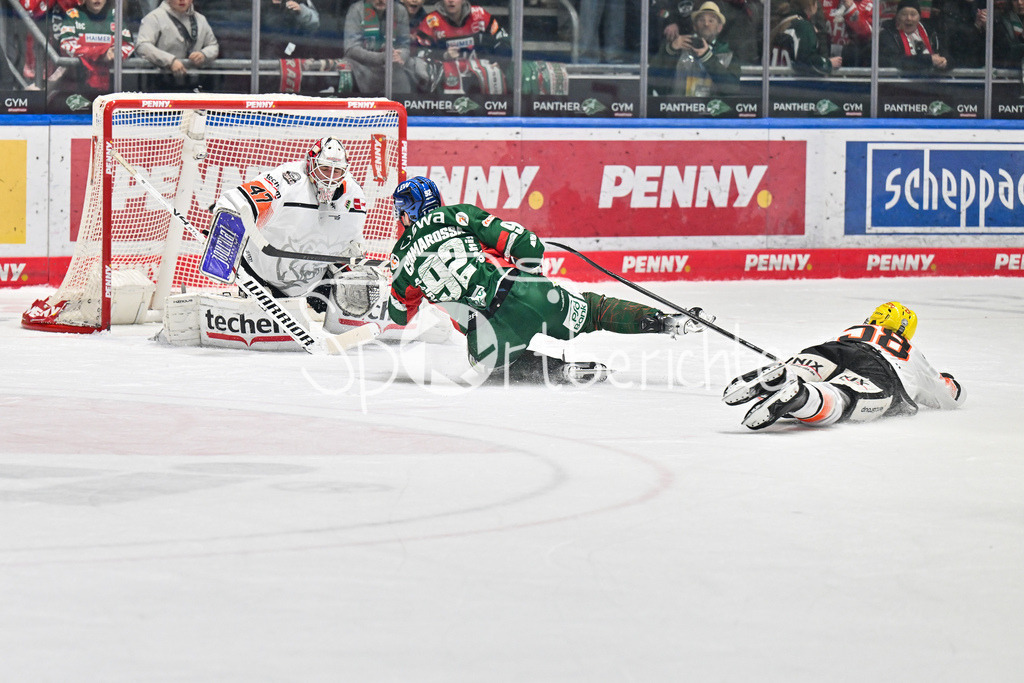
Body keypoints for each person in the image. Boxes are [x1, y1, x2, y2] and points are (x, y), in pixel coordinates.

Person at [387, 176, 712, 384]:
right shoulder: (459, 215)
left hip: (487, 336)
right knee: (594, 310)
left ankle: (558, 371)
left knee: (487, 364)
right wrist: (531, 281)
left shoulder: (401, 256)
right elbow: (529, 245)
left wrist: (397, 281)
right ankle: (664, 321)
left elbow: (400, 316)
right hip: (526, 293)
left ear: (406, 214)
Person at [210, 137, 382, 326]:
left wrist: (354, 266)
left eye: (337, 171)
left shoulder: (355, 196)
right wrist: (227, 225)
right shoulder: (287, 180)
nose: (331, 177)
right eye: (325, 169)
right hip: (260, 276)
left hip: (311, 286)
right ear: (310, 164)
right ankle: (254, 299)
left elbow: (351, 243)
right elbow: (237, 202)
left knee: (360, 286)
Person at [723, 301, 964, 430]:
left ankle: (787, 374)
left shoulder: (856, 330)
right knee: (842, 397)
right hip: (882, 370)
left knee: (808, 368)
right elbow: (949, 396)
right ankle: (803, 398)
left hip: (835, 348)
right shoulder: (910, 352)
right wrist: (949, 381)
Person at [411, 0, 510, 93]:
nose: (451, 1)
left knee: (495, 73)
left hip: (478, 71)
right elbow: (421, 51)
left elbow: (502, 39)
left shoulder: (480, 15)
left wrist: (500, 61)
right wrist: (444, 55)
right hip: (445, 75)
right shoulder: (431, 21)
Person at [649, 0, 741, 96]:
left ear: (719, 28)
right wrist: (670, 51)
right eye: (701, 20)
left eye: (711, 20)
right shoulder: (679, 48)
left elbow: (732, 89)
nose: (706, 24)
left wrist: (708, 57)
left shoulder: (728, 53)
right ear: (694, 26)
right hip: (679, 109)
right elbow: (653, 81)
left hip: (713, 110)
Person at [53, 0, 134, 98]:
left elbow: (128, 45)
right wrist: (101, 53)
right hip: (77, 83)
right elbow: (66, 46)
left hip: (112, 87)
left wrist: (116, 53)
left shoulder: (115, 15)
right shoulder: (73, 15)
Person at [134, 0, 219, 92]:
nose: (182, 0)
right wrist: (169, 61)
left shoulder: (200, 19)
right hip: (161, 84)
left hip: (193, 84)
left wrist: (204, 54)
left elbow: (213, 45)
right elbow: (142, 45)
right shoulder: (154, 18)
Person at [344, 0, 413, 95]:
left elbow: (405, 46)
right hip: (363, 67)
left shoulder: (400, 10)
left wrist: (400, 55)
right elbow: (350, 49)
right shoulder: (356, 10)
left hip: (393, 68)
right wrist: (382, 57)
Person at [770, 0, 843, 74]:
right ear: (812, 6)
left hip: (775, 80)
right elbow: (807, 60)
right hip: (791, 83)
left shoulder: (784, 21)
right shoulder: (803, 27)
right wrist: (828, 63)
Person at [879, 0, 948, 71]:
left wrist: (944, 62)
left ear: (919, 18)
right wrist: (928, 60)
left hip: (930, 80)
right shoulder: (888, 35)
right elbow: (893, 61)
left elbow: (948, 56)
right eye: (904, 14)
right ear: (897, 18)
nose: (909, 18)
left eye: (913, 14)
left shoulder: (930, 33)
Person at [994, 0, 1024, 68]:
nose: (1019, 3)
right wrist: (1021, 37)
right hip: (1011, 70)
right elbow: (1006, 50)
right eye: (1015, 0)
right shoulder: (1001, 20)